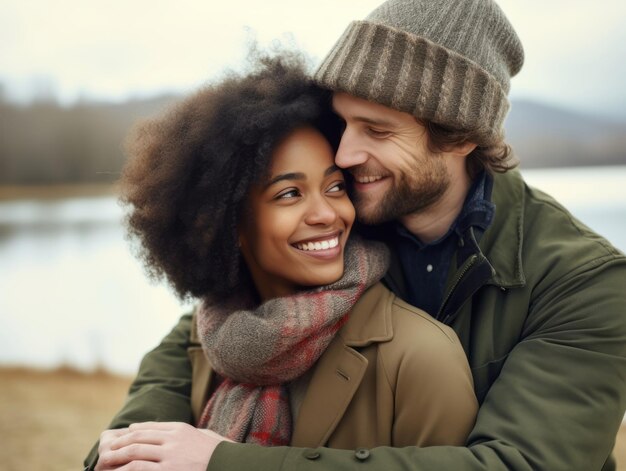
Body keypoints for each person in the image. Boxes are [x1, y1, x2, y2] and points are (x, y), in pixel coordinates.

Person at [86, 0, 626, 469]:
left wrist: (227, 462)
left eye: (378, 130)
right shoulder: (353, 213)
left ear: (461, 136)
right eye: (344, 122)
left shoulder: (587, 284)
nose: (344, 155)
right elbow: (208, 326)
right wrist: (135, 448)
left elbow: (518, 465)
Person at [85, 51, 478, 470]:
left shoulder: (421, 357)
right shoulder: (206, 338)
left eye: (335, 187)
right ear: (226, 222)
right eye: (289, 194)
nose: (327, 214)